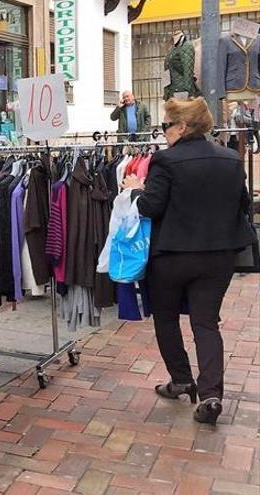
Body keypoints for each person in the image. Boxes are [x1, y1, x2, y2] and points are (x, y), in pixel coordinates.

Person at [123, 97, 254, 426]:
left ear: (182, 127)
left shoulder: (165, 161)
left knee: (166, 318)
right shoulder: (230, 159)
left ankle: (181, 379)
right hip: (220, 256)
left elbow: (151, 206)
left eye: (166, 126)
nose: (164, 132)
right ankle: (211, 394)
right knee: (206, 323)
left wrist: (136, 190)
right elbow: (242, 204)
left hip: (173, 256)